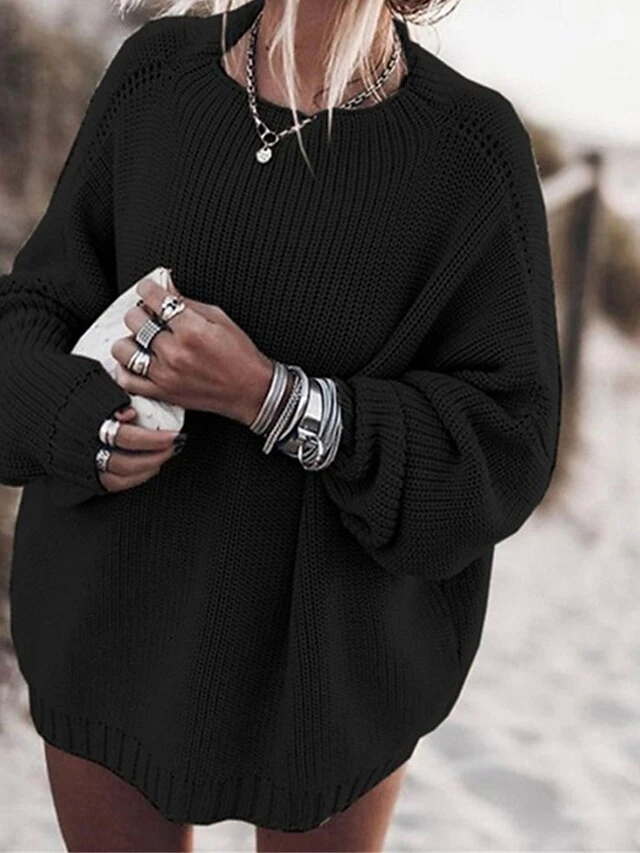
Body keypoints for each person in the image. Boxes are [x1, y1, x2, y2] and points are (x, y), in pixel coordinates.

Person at [0, 0, 562, 850]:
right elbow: (35, 310)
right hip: (109, 622)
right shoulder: (155, 73)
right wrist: (80, 422)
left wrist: (272, 397)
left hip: (327, 674)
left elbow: (506, 445)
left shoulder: (471, 149)